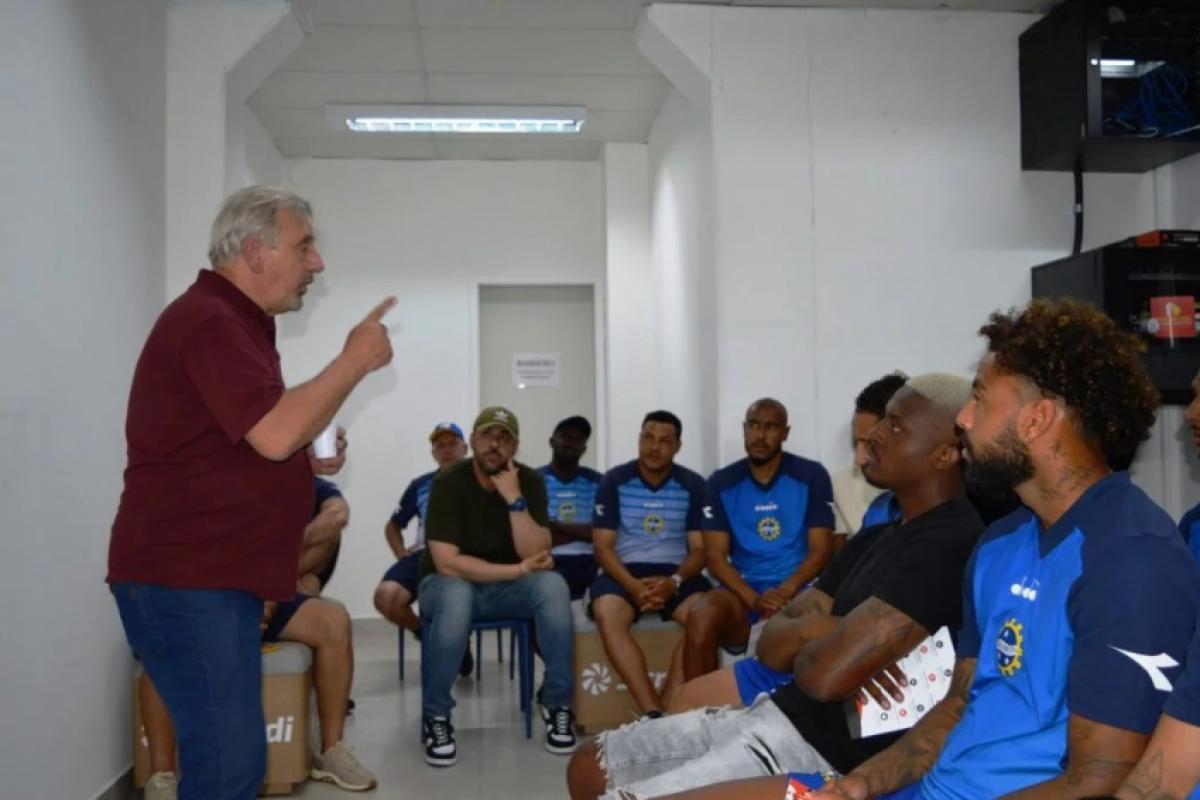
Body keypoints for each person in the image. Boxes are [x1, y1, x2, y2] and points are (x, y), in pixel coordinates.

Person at [662, 299, 1200, 800]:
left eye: (982, 398)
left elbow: (1100, 780)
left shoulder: (1132, 557)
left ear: (1036, 419)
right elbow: (959, 704)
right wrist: (863, 783)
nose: (964, 419)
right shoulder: (1000, 543)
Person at [567, 374, 984, 800]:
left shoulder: (950, 543)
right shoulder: (877, 535)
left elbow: (824, 677)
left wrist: (817, 634)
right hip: (778, 711)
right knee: (587, 765)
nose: (873, 436)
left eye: (893, 426)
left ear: (946, 454)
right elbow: (771, 645)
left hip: (819, 754)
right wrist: (836, 632)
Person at [107, 185, 394, 800]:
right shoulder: (208, 321)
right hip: (186, 581)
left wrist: (304, 465)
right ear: (255, 251)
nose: (316, 263)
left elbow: (250, 440)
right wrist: (354, 360)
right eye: (305, 245)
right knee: (228, 766)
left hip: (211, 580)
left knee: (231, 761)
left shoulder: (235, 324)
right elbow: (275, 433)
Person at [419, 406, 577, 766]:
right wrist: (519, 570)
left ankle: (557, 705)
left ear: (515, 447)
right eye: (488, 435)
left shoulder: (529, 482)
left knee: (553, 587)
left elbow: (537, 553)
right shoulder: (448, 482)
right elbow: (447, 563)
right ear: (473, 441)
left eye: (505, 438)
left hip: (503, 587)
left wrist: (514, 500)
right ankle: (437, 715)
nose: (495, 445)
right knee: (457, 593)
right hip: (444, 587)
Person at [673, 397, 834, 691]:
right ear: (744, 429)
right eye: (754, 425)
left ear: (785, 433)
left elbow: (821, 550)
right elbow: (716, 558)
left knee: (821, 620)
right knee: (702, 612)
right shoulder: (721, 482)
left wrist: (784, 592)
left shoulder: (811, 475)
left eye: (771, 427)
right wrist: (754, 599)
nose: (761, 435)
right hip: (743, 591)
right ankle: (698, 712)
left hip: (799, 589)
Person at [590, 410, 712, 716]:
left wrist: (674, 583)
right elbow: (603, 547)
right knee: (607, 612)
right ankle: (652, 712)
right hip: (624, 571)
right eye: (648, 438)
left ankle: (668, 709)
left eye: (664, 441)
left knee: (705, 617)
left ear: (678, 446)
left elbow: (699, 550)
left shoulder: (694, 485)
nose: (654, 448)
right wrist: (632, 586)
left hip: (676, 573)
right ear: (639, 439)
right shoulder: (615, 480)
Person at [373, 421, 471, 676]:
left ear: (465, 447)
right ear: (433, 454)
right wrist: (400, 553)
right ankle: (427, 635)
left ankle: (457, 641)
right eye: (440, 446)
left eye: (453, 444)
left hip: (468, 556)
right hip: (423, 555)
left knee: (454, 600)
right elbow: (393, 526)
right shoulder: (420, 485)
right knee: (386, 597)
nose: (447, 450)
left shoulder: (480, 480)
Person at [830, 373, 908, 539]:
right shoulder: (842, 488)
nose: (859, 459)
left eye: (870, 445)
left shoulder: (941, 498)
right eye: (855, 442)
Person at [540, 415, 604, 600]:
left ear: (584, 448)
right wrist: (583, 532)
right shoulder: (533, 481)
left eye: (578, 440)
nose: (571, 443)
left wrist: (555, 525)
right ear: (552, 442)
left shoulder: (599, 482)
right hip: (547, 562)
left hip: (591, 562)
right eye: (566, 437)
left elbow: (601, 533)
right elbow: (536, 537)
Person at [298, 477, 350, 596]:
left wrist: (294, 546)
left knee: (332, 530)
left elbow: (339, 515)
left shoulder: (315, 484)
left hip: (301, 572)